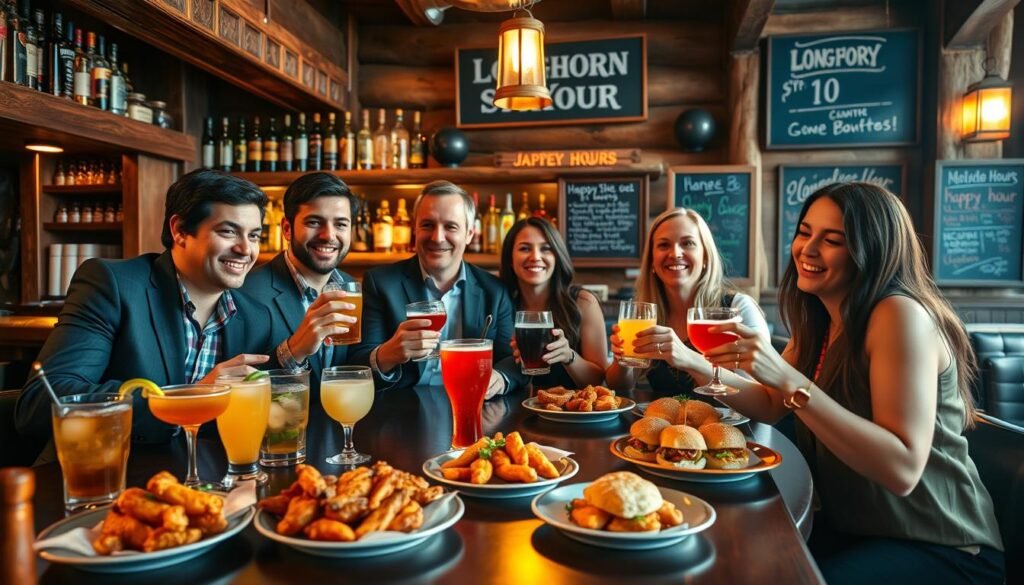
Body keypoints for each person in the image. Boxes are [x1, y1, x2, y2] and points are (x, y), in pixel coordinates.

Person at [705, 183, 1004, 583]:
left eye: (832, 240)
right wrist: (689, 361)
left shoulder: (899, 315)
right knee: (736, 558)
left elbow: (902, 469)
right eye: (805, 232)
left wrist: (790, 381)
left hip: (942, 545)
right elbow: (772, 403)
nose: (807, 250)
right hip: (857, 530)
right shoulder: (823, 319)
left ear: (872, 250)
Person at [16, 169, 276, 445]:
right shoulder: (114, 286)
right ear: (180, 231)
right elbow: (41, 403)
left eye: (254, 236)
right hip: (109, 473)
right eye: (228, 232)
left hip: (207, 481)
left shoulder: (255, 316)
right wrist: (187, 398)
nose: (245, 249)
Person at [350, 180, 521, 398]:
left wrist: (500, 377)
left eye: (450, 226)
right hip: (401, 411)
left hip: (473, 407)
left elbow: (512, 359)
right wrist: (388, 353)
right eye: (428, 225)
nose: (437, 237)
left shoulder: (495, 291)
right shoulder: (381, 282)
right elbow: (357, 361)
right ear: (415, 229)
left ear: (469, 234)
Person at [242, 172, 359, 440]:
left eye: (341, 224)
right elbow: (241, 386)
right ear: (286, 228)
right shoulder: (246, 291)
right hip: (277, 446)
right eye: (315, 222)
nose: (329, 235)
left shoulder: (352, 289)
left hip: (339, 443)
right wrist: (292, 351)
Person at [605, 207, 770, 397]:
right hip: (666, 424)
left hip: (728, 425)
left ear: (705, 256)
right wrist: (622, 359)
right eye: (663, 245)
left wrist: (688, 358)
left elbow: (759, 396)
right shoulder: (646, 313)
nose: (675, 253)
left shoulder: (738, 308)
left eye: (688, 243)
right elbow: (620, 387)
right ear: (651, 260)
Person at [499, 217, 606, 388]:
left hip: (567, 412)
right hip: (508, 411)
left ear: (557, 256)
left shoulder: (583, 302)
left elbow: (598, 380)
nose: (535, 257)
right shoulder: (500, 303)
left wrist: (569, 356)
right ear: (510, 258)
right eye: (525, 248)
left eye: (546, 249)